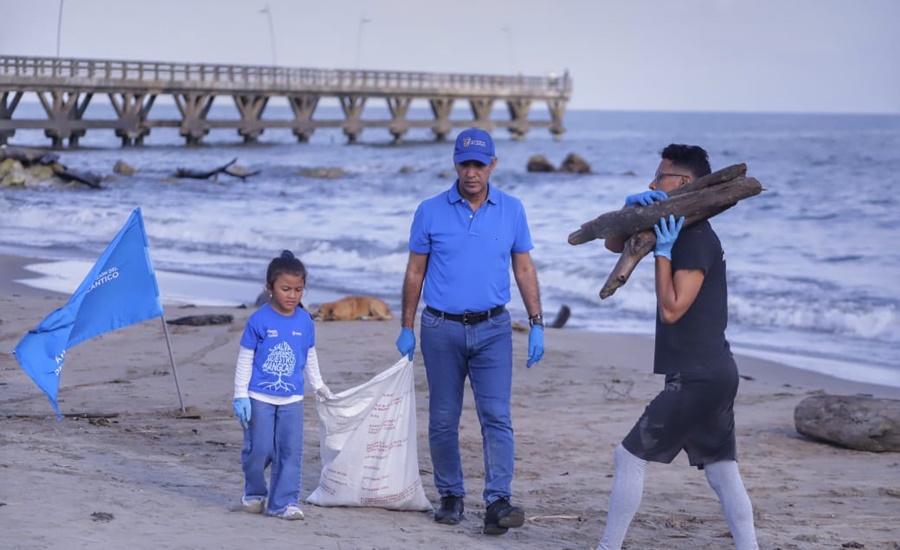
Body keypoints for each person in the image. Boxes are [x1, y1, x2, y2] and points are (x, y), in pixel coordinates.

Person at [598, 144, 759, 549]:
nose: (652, 184)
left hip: (699, 376)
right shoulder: (675, 226)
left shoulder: (694, 239)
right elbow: (613, 245)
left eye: (661, 177)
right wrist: (629, 206)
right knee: (722, 471)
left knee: (628, 458)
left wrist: (662, 256)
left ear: (684, 183)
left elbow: (672, 310)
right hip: (712, 372)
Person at [396, 127, 545, 536]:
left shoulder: (512, 209)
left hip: (494, 329)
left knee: (496, 417)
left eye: (480, 163)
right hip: (440, 329)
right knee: (443, 419)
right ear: (455, 164)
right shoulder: (429, 210)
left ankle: (497, 501)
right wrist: (406, 326)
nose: (472, 171)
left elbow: (524, 267)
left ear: (493, 164)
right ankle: (451, 495)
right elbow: (415, 271)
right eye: (465, 163)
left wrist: (536, 323)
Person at [232, 250, 333, 520]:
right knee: (260, 449)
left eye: (298, 289)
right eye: (285, 289)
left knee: (290, 451)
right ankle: (254, 492)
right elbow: (245, 359)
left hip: (292, 400)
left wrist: (319, 385)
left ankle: (284, 503)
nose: (292, 295)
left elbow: (309, 355)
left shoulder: (305, 320)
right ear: (269, 288)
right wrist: (240, 395)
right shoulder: (258, 320)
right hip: (259, 397)